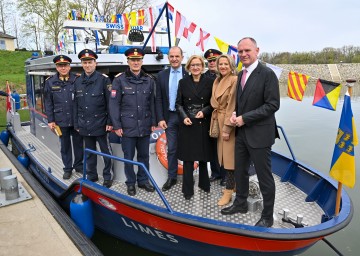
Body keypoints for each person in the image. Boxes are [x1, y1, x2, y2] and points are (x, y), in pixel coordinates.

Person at [221, 37, 280, 228]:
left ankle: (267, 216)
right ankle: (240, 204)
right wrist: (236, 115)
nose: (244, 54)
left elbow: (272, 105)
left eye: (247, 50)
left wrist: (245, 118)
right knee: (240, 171)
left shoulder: (267, 74)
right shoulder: (240, 74)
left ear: (257, 51)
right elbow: (242, 102)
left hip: (260, 135)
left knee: (264, 176)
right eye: (240, 51)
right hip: (242, 133)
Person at [109, 47, 156, 196]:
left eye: (138, 60)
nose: (135, 62)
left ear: (142, 61)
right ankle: (131, 183)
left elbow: (153, 103)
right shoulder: (119, 80)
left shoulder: (149, 80)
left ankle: (143, 181)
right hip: (127, 127)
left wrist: (153, 122)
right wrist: (116, 125)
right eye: (132, 60)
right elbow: (114, 104)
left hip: (145, 126)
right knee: (128, 157)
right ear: (128, 61)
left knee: (144, 156)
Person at [176, 55, 214, 200]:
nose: (196, 67)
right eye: (193, 65)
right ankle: (187, 190)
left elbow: (213, 104)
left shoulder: (210, 82)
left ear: (202, 66)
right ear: (189, 67)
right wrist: (184, 116)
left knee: (204, 156)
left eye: (198, 65)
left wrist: (204, 112)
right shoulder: (183, 82)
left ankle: (204, 184)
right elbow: (178, 103)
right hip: (188, 123)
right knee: (188, 158)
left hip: (203, 122)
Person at [73, 49, 113, 188]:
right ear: (82, 64)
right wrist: (76, 123)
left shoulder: (104, 80)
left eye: (90, 62)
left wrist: (110, 122)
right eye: (85, 63)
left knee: (105, 152)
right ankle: (92, 175)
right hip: (84, 124)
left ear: (95, 63)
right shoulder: (77, 82)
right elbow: (75, 105)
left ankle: (108, 176)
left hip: (101, 124)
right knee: (89, 152)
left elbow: (110, 103)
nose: (88, 65)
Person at [44, 55, 83, 180]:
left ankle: (79, 165)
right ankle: (67, 168)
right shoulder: (50, 82)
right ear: (57, 67)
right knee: (65, 146)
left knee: (78, 144)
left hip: (76, 119)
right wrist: (50, 120)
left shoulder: (78, 79)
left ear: (69, 66)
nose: (63, 68)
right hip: (60, 120)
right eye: (60, 66)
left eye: (65, 65)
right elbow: (48, 103)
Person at [155, 46, 186, 192]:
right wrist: (160, 118)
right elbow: (159, 98)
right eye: (171, 56)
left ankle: (189, 177)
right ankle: (172, 177)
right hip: (170, 116)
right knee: (172, 149)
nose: (174, 59)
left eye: (177, 56)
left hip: (186, 117)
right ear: (168, 58)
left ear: (182, 57)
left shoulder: (190, 73)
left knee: (188, 148)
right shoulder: (161, 75)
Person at [210, 54, 238, 206]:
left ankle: (228, 190)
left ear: (231, 65)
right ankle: (234, 186)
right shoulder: (217, 80)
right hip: (218, 119)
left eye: (226, 64)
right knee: (224, 156)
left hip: (228, 123)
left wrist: (227, 128)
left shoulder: (234, 80)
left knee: (229, 159)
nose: (223, 67)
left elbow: (232, 105)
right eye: (220, 64)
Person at [204, 49, 226, 185]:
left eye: (215, 61)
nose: (212, 63)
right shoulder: (204, 77)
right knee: (212, 147)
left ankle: (225, 175)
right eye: (210, 61)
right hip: (209, 116)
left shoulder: (226, 77)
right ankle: (215, 173)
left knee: (224, 148)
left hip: (223, 115)